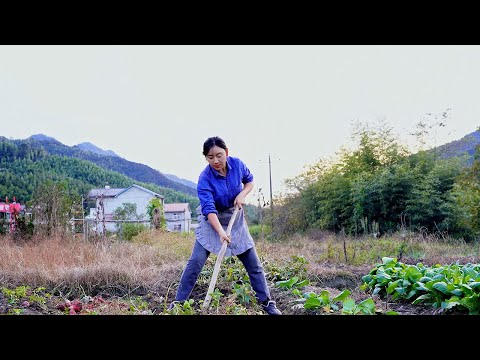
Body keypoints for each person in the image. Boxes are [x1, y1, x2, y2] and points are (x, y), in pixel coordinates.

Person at [168, 136, 281, 315]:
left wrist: (243, 194)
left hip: (235, 219)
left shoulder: (237, 165)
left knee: (254, 265)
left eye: (219, 155)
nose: (216, 161)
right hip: (212, 221)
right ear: (205, 158)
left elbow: (249, 181)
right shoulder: (204, 178)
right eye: (210, 157)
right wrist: (220, 232)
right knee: (195, 261)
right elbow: (209, 210)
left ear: (226, 152)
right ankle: (178, 303)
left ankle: (268, 303)